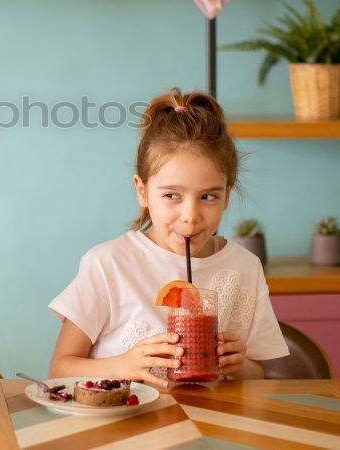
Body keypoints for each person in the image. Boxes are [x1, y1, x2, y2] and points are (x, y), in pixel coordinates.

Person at [48, 89, 287, 388]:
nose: (191, 215)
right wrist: (124, 364)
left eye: (208, 196)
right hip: (125, 428)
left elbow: (259, 375)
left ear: (227, 195)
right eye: (172, 195)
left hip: (213, 426)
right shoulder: (108, 264)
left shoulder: (245, 268)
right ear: (142, 191)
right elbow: (59, 368)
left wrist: (239, 366)